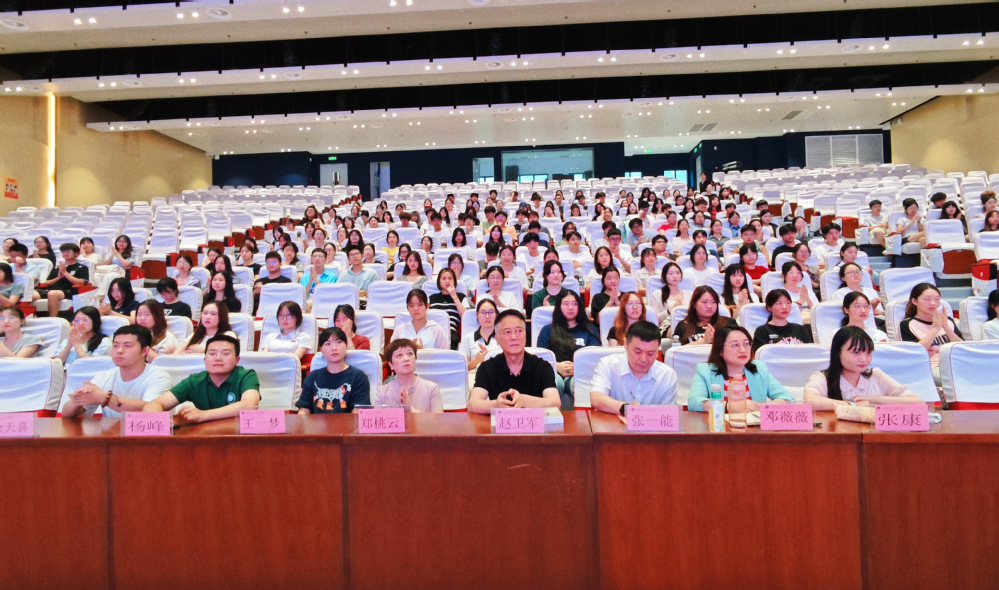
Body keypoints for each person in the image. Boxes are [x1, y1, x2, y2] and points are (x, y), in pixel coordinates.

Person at [144, 334, 261, 424]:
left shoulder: (246, 376)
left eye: (225, 353)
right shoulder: (195, 381)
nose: (218, 358)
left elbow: (250, 405)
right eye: (212, 353)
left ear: (237, 360)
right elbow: (154, 404)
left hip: (238, 437)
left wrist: (204, 415)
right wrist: (158, 419)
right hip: (204, 437)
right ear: (205, 360)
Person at [61, 325, 174, 418]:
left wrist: (105, 398)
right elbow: (66, 415)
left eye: (127, 346)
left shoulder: (159, 376)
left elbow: (151, 412)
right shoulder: (105, 376)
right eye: (115, 345)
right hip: (111, 435)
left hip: (148, 435)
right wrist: (78, 399)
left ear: (145, 350)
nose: (119, 351)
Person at [804, 326, 924, 410]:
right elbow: (810, 401)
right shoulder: (822, 377)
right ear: (838, 352)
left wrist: (874, 400)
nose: (864, 359)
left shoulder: (876, 375)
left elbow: (917, 402)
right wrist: (853, 405)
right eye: (856, 352)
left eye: (868, 352)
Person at [468, 310, 560, 414]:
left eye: (519, 331)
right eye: (507, 332)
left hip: (535, 423)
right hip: (500, 423)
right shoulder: (487, 367)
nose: (514, 337)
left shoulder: (542, 366)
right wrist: (496, 405)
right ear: (497, 338)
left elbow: (555, 403)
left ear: (526, 335)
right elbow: (473, 404)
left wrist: (524, 401)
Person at [688, 325, 794, 412]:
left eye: (746, 344)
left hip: (754, 427)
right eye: (735, 345)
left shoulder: (759, 369)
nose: (743, 350)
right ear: (720, 350)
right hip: (719, 427)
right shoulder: (705, 371)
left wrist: (767, 407)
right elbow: (694, 402)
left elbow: (788, 399)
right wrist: (729, 406)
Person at [590, 320, 679, 415]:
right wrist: (626, 409)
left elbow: (668, 415)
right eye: (638, 352)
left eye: (650, 353)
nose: (643, 359)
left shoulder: (667, 375)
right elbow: (596, 398)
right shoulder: (608, 365)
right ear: (625, 344)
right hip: (612, 423)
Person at [536, 290, 600, 407]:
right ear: (559, 306)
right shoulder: (547, 330)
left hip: (580, 372)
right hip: (553, 371)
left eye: (574, 304)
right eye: (566, 304)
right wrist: (557, 366)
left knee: (576, 383)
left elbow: (594, 357)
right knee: (556, 383)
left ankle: (582, 418)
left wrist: (577, 368)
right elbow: (541, 357)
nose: (570, 307)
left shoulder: (589, 330)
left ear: (579, 307)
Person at [899, 283, 963, 386]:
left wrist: (946, 327)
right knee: (956, 380)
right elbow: (915, 352)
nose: (933, 303)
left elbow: (962, 347)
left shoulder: (948, 321)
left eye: (937, 299)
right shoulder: (907, 324)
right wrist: (934, 329)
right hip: (930, 367)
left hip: (955, 363)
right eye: (927, 299)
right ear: (915, 301)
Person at [297, 326, 370, 413]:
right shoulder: (312, 377)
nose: (334, 348)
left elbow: (358, 412)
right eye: (328, 344)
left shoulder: (358, 377)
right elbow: (304, 410)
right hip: (316, 422)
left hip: (348, 422)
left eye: (339, 342)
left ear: (346, 345)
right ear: (321, 350)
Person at [375, 338, 443, 412]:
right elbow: (378, 418)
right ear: (391, 364)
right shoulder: (382, 392)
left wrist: (410, 409)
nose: (406, 358)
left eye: (410, 353)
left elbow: (438, 419)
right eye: (399, 355)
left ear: (415, 359)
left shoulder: (432, 389)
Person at [34, 242, 89, 316]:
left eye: (69, 251)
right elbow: (46, 283)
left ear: (76, 253)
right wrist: (58, 278)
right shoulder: (56, 268)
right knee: (31, 294)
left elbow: (81, 283)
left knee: (52, 294)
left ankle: (52, 318)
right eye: (63, 251)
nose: (66, 253)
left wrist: (65, 273)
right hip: (52, 290)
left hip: (69, 291)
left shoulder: (82, 267)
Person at [428, 268, 468, 350]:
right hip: (432, 331)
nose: (447, 281)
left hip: (450, 332)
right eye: (444, 278)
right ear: (439, 281)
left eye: (450, 278)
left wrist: (454, 296)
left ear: (454, 281)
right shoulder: (432, 298)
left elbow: (466, 317)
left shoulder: (461, 297)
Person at [459, 298, 503, 371]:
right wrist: (476, 361)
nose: (487, 316)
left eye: (491, 312)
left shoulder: (504, 337)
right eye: (483, 312)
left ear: (496, 314)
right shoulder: (468, 338)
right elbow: (461, 368)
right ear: (477, 315)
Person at [647, 262, 691, 335]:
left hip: (688, 324)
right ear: (664, 276)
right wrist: (669, 311)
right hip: (667, 327)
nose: (675, 276)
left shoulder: (689, 294)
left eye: (677, 273)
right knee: (682, 329)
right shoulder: (657, 294)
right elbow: (654, 319)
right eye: (671, 273)